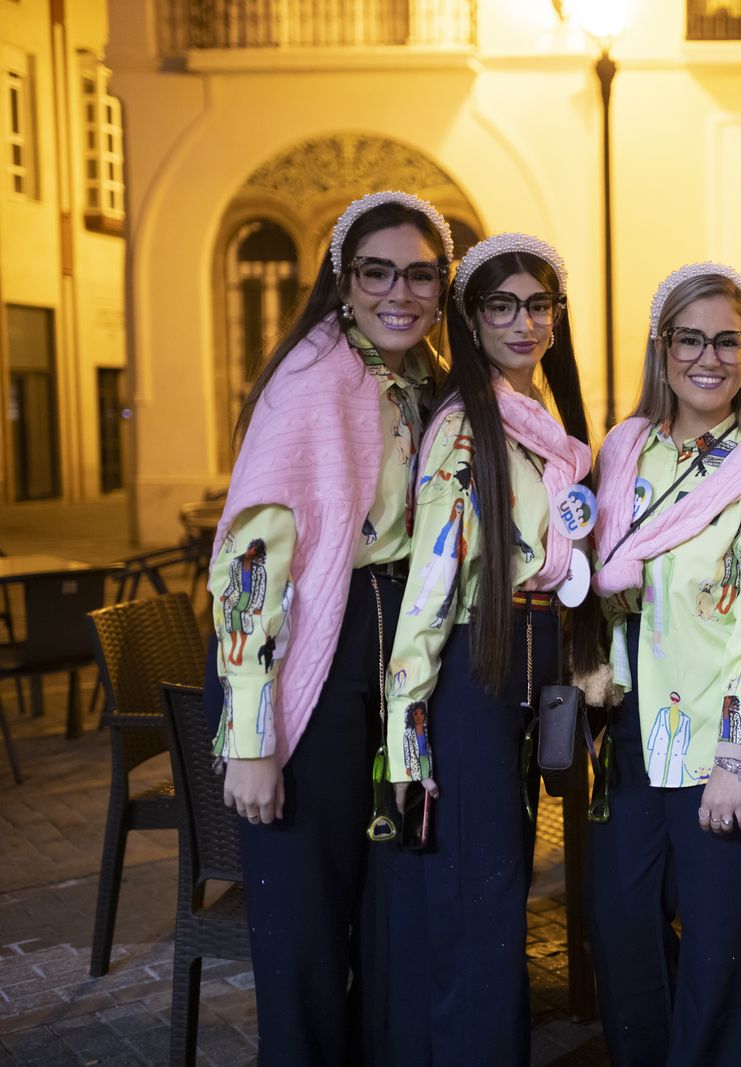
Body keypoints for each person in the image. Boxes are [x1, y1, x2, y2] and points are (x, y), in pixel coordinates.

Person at [204, 190, 452, 1065]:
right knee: (306, 924)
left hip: (395, 649)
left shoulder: (424, 381)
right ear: (343, 283)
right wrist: (248, 735)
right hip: (314, 649)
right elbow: (248, 567)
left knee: (386, 907)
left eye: (420, 273)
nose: (400, 291)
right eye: (377, 271)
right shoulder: (311, 379)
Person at [363, 233, 592, 1065]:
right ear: (472, 317)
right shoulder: (466, 428)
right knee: (479, 903)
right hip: (472, 670)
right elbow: (427, 593)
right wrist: (406, 737)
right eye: (502, 305)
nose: (523, 322)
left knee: (497, 892)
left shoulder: (545, 421)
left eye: (538, 305)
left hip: (529, 659)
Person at [584, 262, 741, 1066]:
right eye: (692, 338)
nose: (708, 358)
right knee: (623, 926)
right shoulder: (624, 449)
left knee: (720, 945)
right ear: (663, 347)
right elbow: (602, 577)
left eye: (728, 340)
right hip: (633, 728)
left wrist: (734, 758)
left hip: (726, 736)